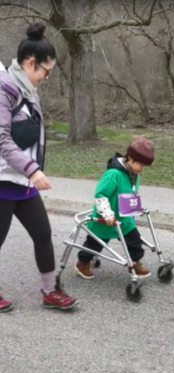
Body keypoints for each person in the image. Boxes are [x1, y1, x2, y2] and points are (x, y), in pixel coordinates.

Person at [0, 22, 78, 311]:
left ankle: (50, 292)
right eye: (46, 71)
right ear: (31, 63)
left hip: (22, 181)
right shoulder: (4, 89)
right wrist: (32, 168)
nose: (46, 77)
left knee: (43, 234)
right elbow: (2, 140)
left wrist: (31, 171)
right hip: (3, 179)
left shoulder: (29, 88)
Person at [75, 137, 155, 280]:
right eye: (140, 164)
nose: (142, 168)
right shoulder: (113, 174)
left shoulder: (134, 175)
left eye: (144, 165)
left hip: (124, 219)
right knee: (95, 244)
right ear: (130, 158)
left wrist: (136, 209)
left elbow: (130, 194)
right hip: (106, 219)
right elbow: (101, 194)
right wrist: (107, 215)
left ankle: (134, 264)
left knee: (135, 242)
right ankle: (82, 263)